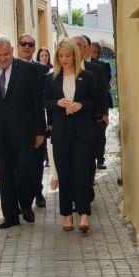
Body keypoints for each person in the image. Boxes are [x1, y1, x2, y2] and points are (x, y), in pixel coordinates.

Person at [0, 35, 46, 229]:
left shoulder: (29, 70)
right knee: (5, 176)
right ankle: (11, 216)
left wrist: (40, 131)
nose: (2, 59)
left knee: (25, 173)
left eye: (6, 54)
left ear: (12, 51)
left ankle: (26, 204)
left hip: (24, 133)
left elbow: (37, 103)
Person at [44, 38, 97, 232]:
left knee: (82, 172)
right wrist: (57, 103)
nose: (64, 59)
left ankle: (83, 214)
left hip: (82, 133)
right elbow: (45, 100)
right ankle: (67, 215)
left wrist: (81, 105)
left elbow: (95, 102)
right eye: (60, 56)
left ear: (75, 55)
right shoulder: (51, 78)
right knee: (64, 174)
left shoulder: (87, 76)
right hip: (61, 133)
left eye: (67, 55)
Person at [72, 36, 108, 202]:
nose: (75, 48)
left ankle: (87, 190)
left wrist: (103, 115)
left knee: (88, 160)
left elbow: (102, 95)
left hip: (91, 122)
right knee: (73, 163)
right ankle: (76, 195)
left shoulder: (95, 69)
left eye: (79, 45)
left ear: (85, 49)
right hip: (70, 125)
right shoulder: (62, 69)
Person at [17, 34, 50, 208]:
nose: (27, 47)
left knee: (38, 162)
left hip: (38, 122)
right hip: (17, 124)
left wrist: (49, 123)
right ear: (18, 46)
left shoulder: (42, 70)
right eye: (24, 43)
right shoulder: (11, 67)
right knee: (21, 165)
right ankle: (22, 199)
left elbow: (50, 96)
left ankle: (37, 190)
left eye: (31, 44)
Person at [90, 41, 112, 169]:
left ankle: (100, 159)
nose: (96, 55)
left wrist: (105, 113)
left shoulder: (104, 66)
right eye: (93, 52)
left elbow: (105, 89)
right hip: (89, 109)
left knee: (100, 137)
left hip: (101, 107)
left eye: (98, 52)